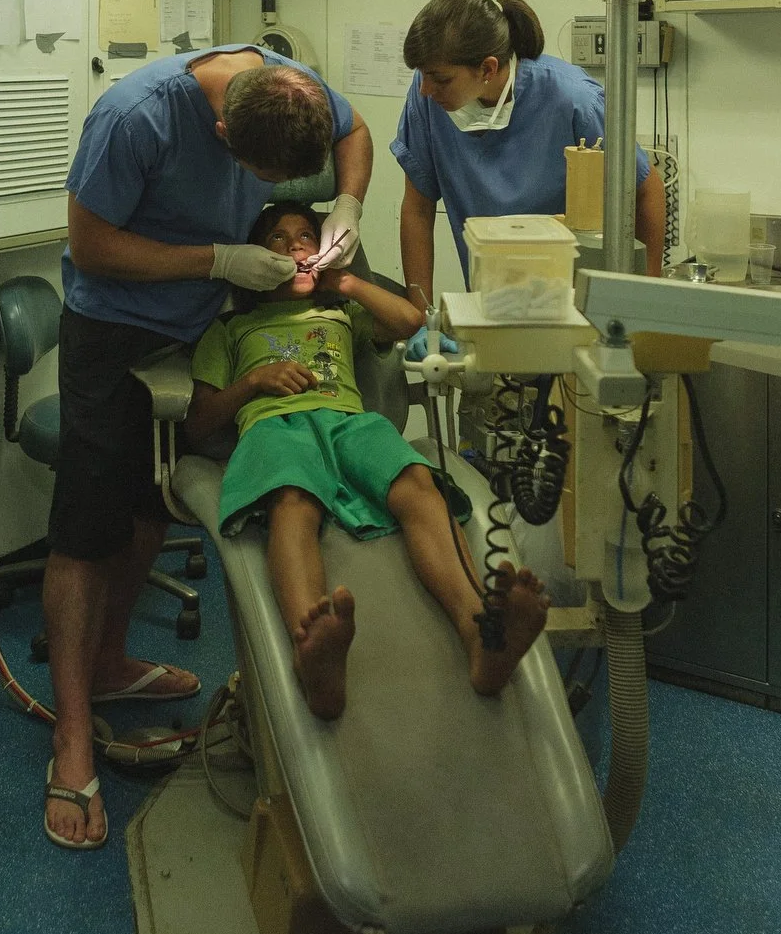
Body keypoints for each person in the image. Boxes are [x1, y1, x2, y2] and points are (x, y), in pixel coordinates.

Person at [43, 46, 373, 849]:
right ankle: (73, 734)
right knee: (89, 525)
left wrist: (350, 204)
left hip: (200, 323)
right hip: (114, 327)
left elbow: (356, 132)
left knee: (154, 499)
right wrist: (218, 257)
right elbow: (90, 246)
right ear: (222, 127)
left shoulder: (288, 85)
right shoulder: (135, 118)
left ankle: (116, 660)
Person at [184, 201, 550, 722]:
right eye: (278, 242)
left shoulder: (342, 314)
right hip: (274, 426)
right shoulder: (231, 329)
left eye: (306, 237)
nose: (294, 248)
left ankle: (480, 637)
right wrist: (252, 382)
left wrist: (347, 282)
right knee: (293, 500)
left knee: (417, 484)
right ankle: (314, 654)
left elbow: (407, 320)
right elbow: (198, 423)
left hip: (350, 422)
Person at [393, 0, 666, 356]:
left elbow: (645, 189)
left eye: (440, 79)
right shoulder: (427, 97)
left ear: (488, 68)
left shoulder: (572, 99)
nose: (426, 89)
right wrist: (421, 317)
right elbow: (417, 207)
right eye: (422, 76)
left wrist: (643, 306)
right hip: (488, 312)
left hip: (573, 319)